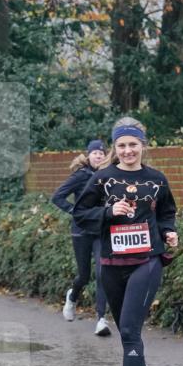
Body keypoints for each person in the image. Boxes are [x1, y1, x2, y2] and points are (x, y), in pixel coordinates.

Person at [73, 117, 178, 366]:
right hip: (111, 265)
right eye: (122, 145)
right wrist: (108, 211)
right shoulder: (102, 178)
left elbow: (167, 212)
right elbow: (80, 213)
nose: (128, 150)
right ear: (114, 149)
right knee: (126, 333)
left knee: (131, 331)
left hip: (147, 262)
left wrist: (169, 232)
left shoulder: (157, 179)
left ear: (143, 146)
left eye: (133, 144)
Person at [51, 139, 112, 336]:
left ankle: (101, 319)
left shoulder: (108, 176)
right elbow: (57, 197)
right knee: (84, 276)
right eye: (95, 153)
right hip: (81, 231)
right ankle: (72, 295)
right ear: (89, 155)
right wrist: (74, 211)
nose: (99, 156)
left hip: (101, 230)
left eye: (102, 154)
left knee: (103, 273)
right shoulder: (81, 175)